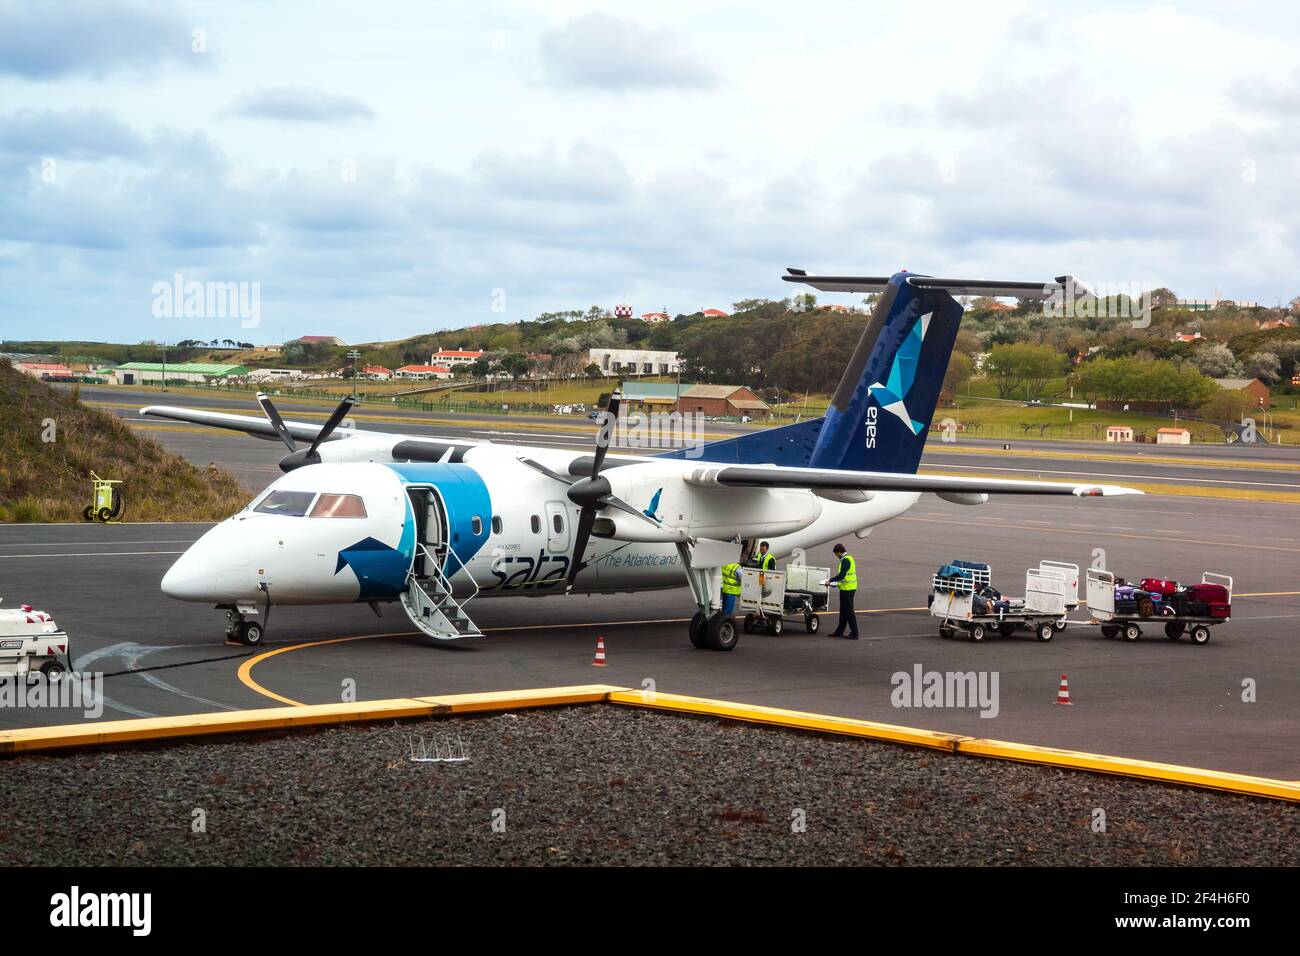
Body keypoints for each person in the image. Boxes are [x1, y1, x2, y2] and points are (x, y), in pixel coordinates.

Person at [825, 544, 859, 639]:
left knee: (849, 612)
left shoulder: (845, 560)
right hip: (846, 588)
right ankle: (839, 631)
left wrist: (830, 581)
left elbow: (842, 575)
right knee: (844, 611)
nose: (836, 556)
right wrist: (836, 584)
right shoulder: (849, 558)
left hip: (848, 589)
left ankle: (855, 633)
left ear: (839, 552)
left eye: (836, 554)